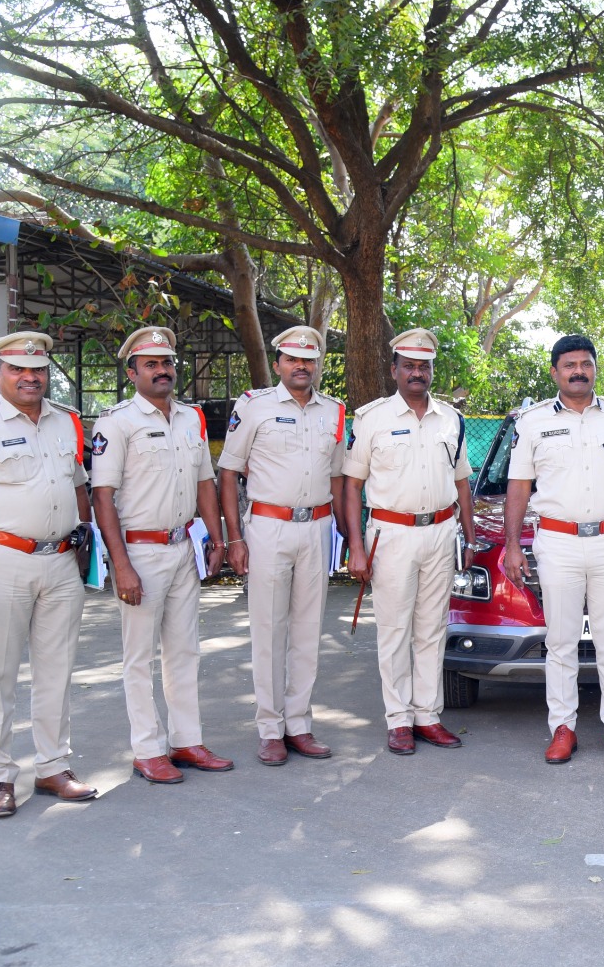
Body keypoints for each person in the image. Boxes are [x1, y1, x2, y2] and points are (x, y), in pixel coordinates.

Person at [0, 332, 98, 817]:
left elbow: (79, 489)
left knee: (57, 672)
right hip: (0, 563)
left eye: (38, 370)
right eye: (17, 370)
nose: (30, 378)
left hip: (60, 563)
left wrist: (84, 545)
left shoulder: (66, 422)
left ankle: (52, 767)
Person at [90, 326, 232, 784]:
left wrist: (217, 538)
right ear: (131, 372)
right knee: (139, 656)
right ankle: (147, 749)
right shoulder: (116, 422)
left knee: (184, 650)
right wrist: (121, 564)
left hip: (182, 546)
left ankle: (186, 740)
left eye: (167, 362)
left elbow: (204, 483)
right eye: (150, 364)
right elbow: (102, 497)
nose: (162, 370)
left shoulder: (191, 418)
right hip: (140, 552)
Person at [502, 335, 604, 764]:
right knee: (561, 642)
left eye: (586, 363)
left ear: (595, 368)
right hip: (558, 542)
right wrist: (513, 545)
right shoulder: (531, 422)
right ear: (555, 372)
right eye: (569, 365)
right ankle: (562, 728)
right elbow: (518, 487)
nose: (578, 371)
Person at [217, 326, 346, 766]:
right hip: (269, 527)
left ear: (317, 365)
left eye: (309, 360)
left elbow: (338, 478)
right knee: (268, 630)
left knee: (309, 631)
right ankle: (270, 728)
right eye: (293, 359)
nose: (301, 366)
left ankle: (300, 724)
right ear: (278, 364)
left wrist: (350, 538)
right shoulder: (254, 407)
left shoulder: (334, 412)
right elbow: (229, 472)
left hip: (318, 527)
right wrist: (234, 537)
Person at [343, 328, 473, 757]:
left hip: (440, 532)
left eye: (425, 366)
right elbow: (351, 485)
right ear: (394, 369)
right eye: (409, 366)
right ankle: (398, 720)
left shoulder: (450, 419)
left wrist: (468, 533)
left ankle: (428, 716)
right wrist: (355, 546)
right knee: (395, 630)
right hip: (391, 533)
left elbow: (462, 481)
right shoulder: (372, 418)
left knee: (432, 629)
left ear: (432, 371)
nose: (417, 373)